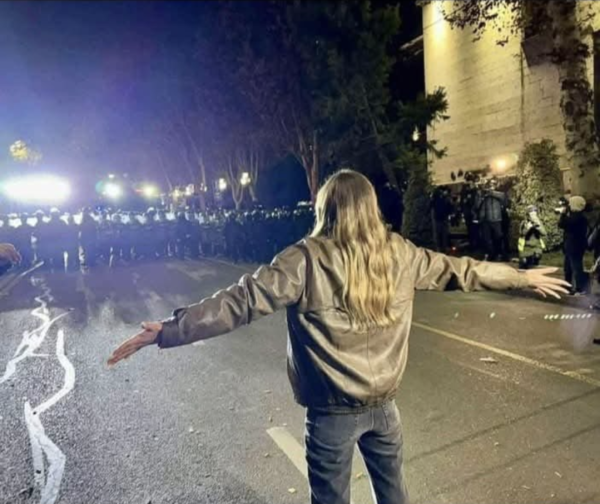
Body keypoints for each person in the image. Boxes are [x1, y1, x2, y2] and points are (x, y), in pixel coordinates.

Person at [108, 170, 568, 504]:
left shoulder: (305, 259)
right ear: (371, 207)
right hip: (384, 406)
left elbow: (240, 302)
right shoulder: (400, 254)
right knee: (394, 495)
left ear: (325, 208)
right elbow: (464, 271)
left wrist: (170, 330)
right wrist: (520, 277)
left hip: (331, 414)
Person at [559, 195, 588, 295]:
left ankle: (579, 288)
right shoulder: (581, 218)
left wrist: (563, 214)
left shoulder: (576, 218)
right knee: (569, 267)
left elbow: (561, 224)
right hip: (575, 246)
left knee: (575, 267)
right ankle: (569, 286)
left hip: (573, 246)